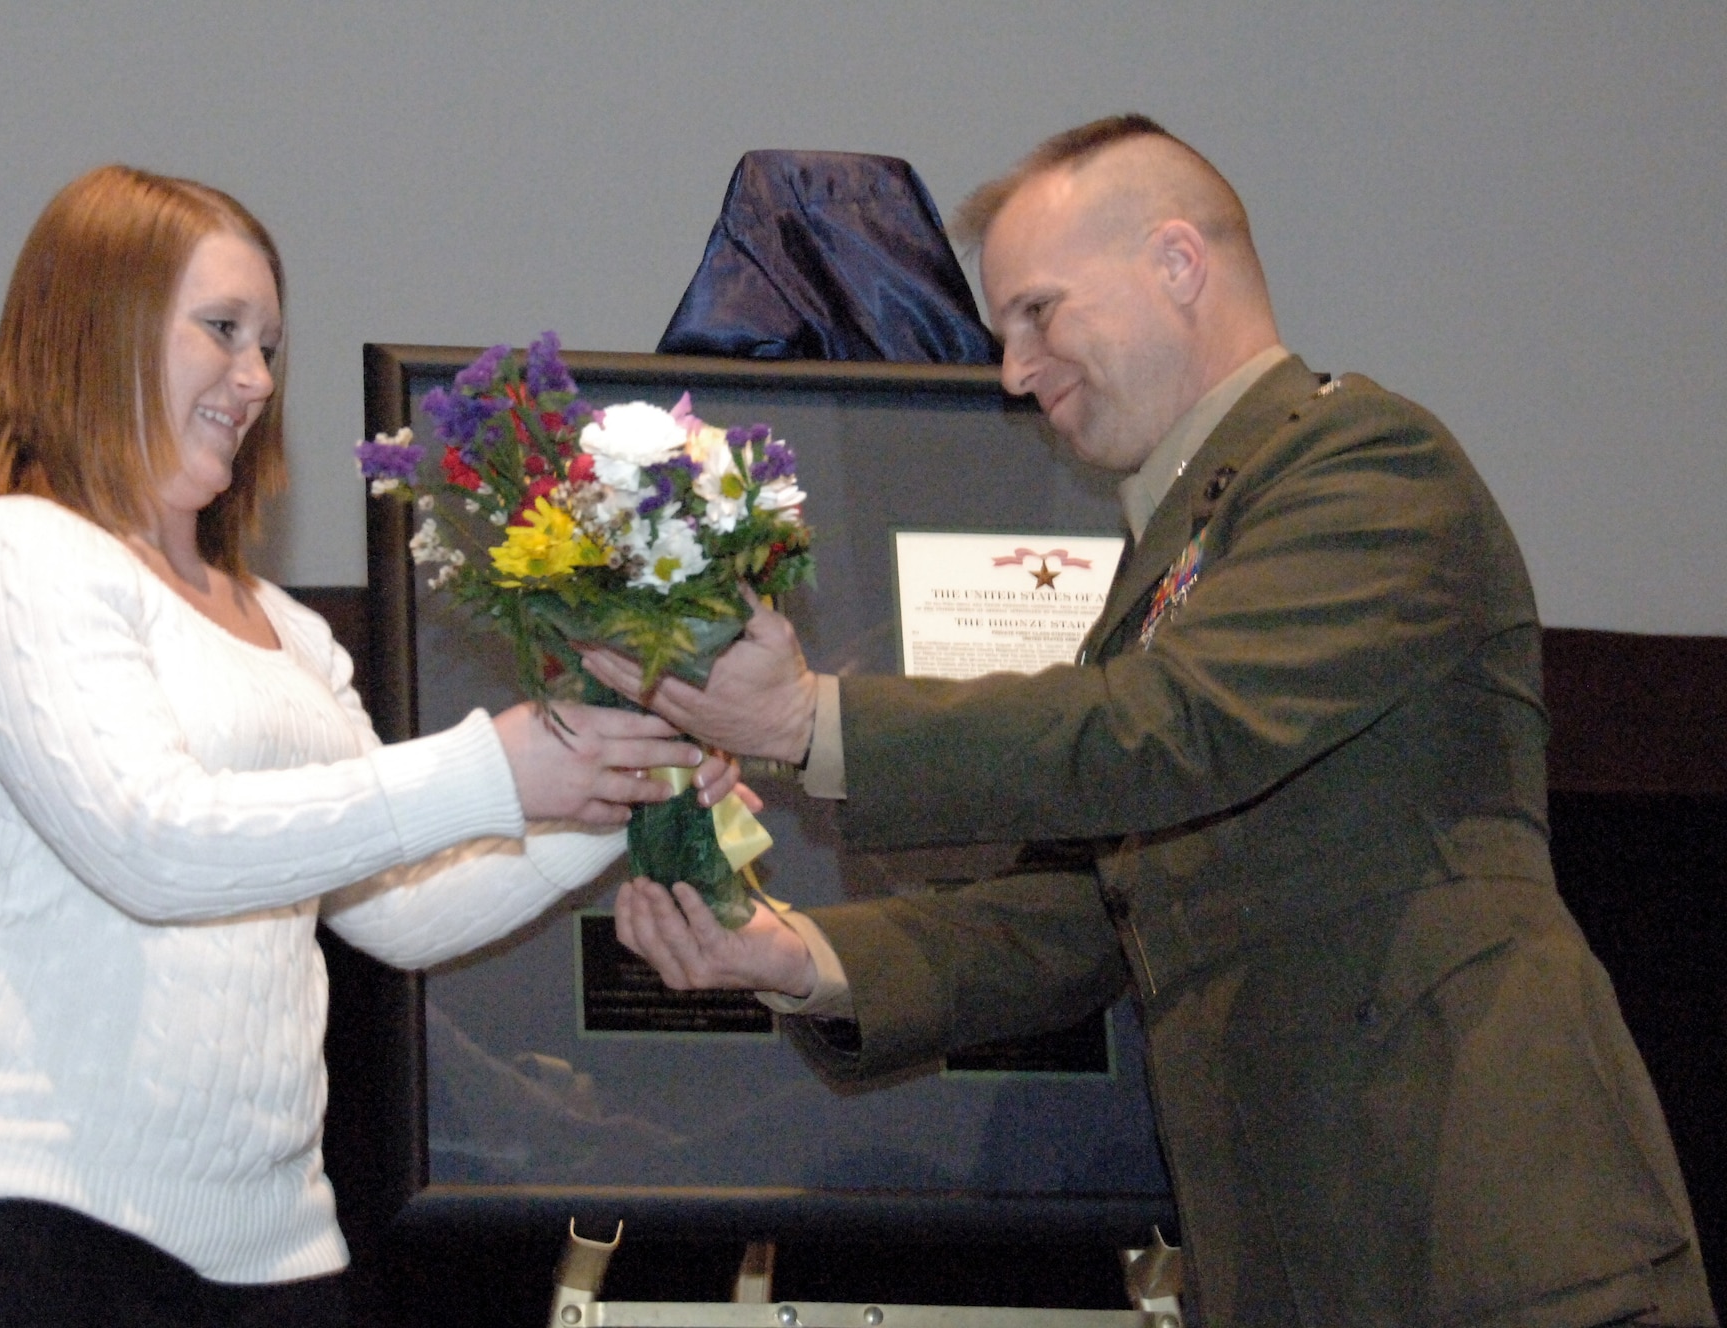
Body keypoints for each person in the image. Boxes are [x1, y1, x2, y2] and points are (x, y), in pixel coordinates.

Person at [586, 117, 1714, 1327]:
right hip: (1306, 1262)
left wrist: (813, 721)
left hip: (1490, 1242)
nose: (1012, 370)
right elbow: (1083, 909)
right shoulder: (1180, 559)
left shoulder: (1368, 464)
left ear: (1176, 265)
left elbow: (1166, 729)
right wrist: (796, 956)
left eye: (1037, 312)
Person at [0, 164, 737, 1328]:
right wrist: (491, 767)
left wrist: (599, 798)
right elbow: (150, 842)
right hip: (7, 1224)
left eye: (268, 345)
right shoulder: (16, 555)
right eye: (220, 331)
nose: (253, 379)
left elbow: (391, 909)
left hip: (267, 1249)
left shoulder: (288, 629)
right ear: (97, 329)